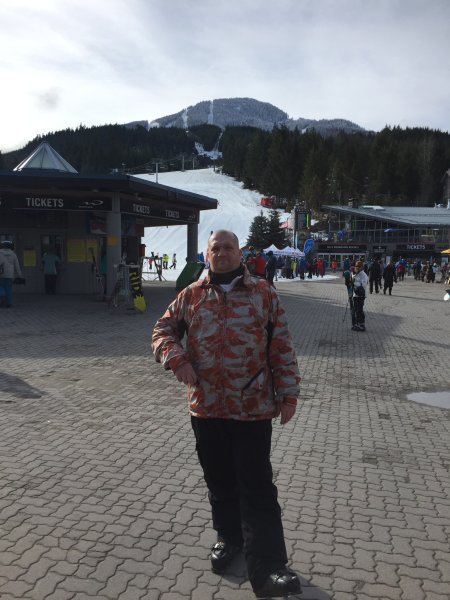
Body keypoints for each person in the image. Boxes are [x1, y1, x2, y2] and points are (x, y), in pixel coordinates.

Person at [152, 230, 302, 599]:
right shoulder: (191, 295)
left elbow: (281, 344)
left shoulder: (263, 293)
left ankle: (269, 568)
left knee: (256, 487)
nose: (221, 252)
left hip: (252, 410)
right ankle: (229, 538)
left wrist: (288, 392)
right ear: (207, 255)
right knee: (219, 482)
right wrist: (177, 359)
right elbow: (162, 330)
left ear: (240, 253)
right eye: (215, 248)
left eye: (228, 247)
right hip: (206, 408)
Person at [0, 240, 23, 308]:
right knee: (9, 288)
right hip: (10, 275)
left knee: (1, 287)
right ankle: (9, 303)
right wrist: (20, 275)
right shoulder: (13, 255)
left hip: (1, 274)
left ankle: (2, 295)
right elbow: (17, 266)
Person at [352, 260, 369, 331]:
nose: (356, 267)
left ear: (361, 267)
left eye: (358, 266)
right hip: (355, 295)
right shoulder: (356, 274)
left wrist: (354, 283)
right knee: (356, 310)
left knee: (359, 310)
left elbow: (363, 285)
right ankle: (357, 323)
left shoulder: (364, 275)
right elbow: (352, 282)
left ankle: (361, 324)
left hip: (361, 295)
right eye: (356, 266)